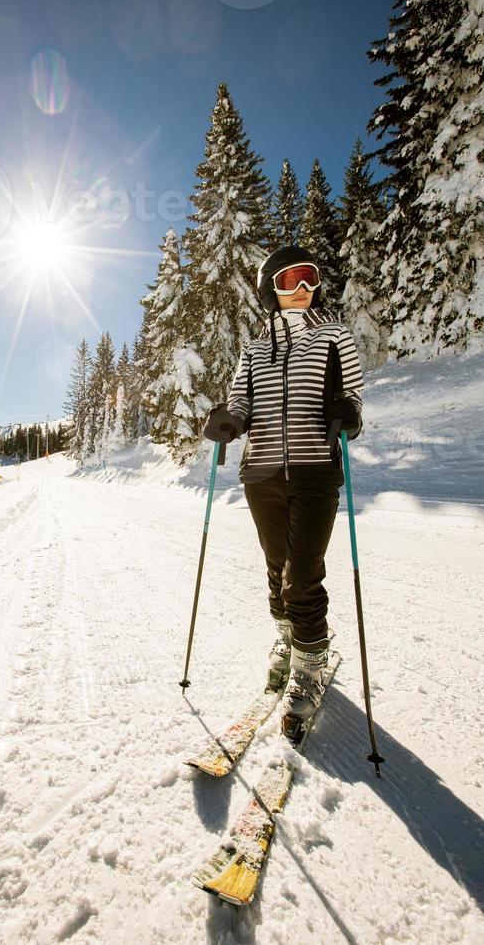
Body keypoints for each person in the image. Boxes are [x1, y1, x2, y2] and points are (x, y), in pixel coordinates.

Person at [203, 245, 364, 732]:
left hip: (316, 471)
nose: (303, 289)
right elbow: (241, 405)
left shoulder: (334, 337)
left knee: (303, 573)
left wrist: (348, 414)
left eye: (310, 279)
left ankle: (311, 664)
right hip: (262, 475)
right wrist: (229, 421)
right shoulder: (253, 350)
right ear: (270, 287)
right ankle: (289, 637)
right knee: (277, 568)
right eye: (292, 279)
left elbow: (353, 399)